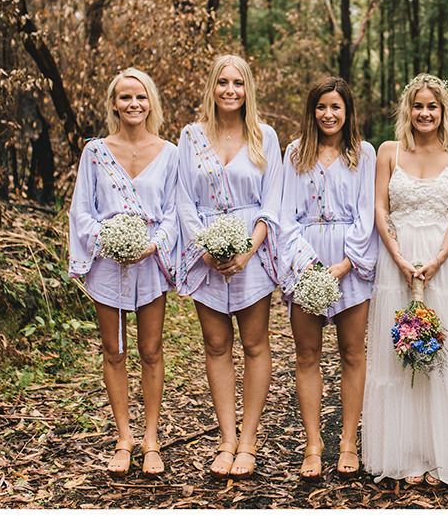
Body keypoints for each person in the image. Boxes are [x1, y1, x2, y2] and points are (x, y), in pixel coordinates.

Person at [362, 73, 448, 486]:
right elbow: (379, 208)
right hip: (396, 259)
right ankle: (404, 452)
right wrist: (397, 254)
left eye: (432, 106)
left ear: (443, 110)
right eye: (418, 106)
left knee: (441, 353)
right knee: (398, 352)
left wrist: (437, 259)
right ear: (408, 110)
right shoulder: (388, 151)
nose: (425, 113)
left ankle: (441, 452)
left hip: (443, 260)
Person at [176, 54, 288, 480]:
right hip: (204, 247)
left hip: (252, 250)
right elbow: (183, 198)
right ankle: (226, 438)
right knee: (216, 344)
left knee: (255, 343)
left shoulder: (264, 136)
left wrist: (247, 250)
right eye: (222, 82)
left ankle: (249, 441)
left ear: (248, 90)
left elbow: (272, 201)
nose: (229, 90)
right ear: (212, 86)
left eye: (237, 83)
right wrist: (204, 248)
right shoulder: (191, 136)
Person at [68, 68, 177, 478]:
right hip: (107, 265)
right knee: (113, 350)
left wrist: (152, 244)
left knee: (150, 350)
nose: (134, 104)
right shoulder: (95, 152)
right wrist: (108, 240)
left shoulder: (170, 153)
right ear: (114, 103)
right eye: (125, 97)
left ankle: (151, 438)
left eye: (141, 97)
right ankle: (123, 438)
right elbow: (82, 210)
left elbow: (173, 213)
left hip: (149, 262)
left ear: (151, 103)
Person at [280, 77, 377, 481]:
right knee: (307, 355)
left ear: (347, 111)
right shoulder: (294, 153)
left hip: (349, 259)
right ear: (312, 111)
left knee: (353, 353)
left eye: (336, 107)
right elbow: (284, 214)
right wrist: (306, 263)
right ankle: (314, 443)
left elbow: (368, 213)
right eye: (322, 107)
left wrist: (344, 263)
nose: (329, 114)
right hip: (305, 257)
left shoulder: (363, 154)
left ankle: (349, 441)